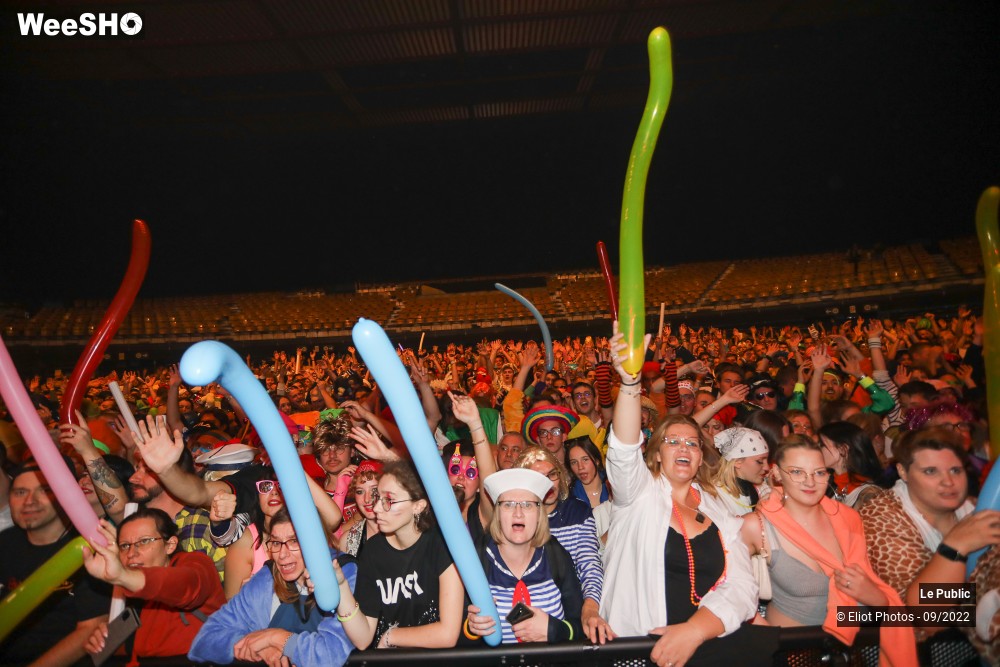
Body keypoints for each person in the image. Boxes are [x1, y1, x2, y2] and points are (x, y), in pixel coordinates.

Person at [601, 324, 776, 667]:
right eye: (673, 441)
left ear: (700, 456)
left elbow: (741, 588)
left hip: (706, 648)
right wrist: (630, 383)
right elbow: (622, 449)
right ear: (654, 455)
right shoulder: (637, 495)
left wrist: (694, 631)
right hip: (641, 652)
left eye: (693, 443)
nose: (684, 447)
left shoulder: (718, 509)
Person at [742, 435, 917, 665]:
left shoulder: (847, 519)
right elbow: (724, 591)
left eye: (819, 472)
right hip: (789, 654)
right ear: (776, 474)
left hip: (847, 651)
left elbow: (870, 603)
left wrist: (874, 597)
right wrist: (770, 639)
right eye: (796, 472)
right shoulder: (756, 526)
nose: (810, 482)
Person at [860, 427, 1000, 662]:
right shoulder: (881, 514)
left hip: (965, 653)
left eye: (955, 470)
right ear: (903, 471)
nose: (948, 482)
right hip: (911, 654)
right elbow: (923, 616)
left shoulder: (976, 507)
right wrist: (955, 547)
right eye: (931, 471)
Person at [188, 507, 359, 667]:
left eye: (293, 541)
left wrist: (275, 638)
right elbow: (204, 640)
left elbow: (330, 653)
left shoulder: (344, 572)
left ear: (314, 542)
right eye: (276, 543)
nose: (283, 555)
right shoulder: (267, 578)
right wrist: (258, 647)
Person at [334, 460, 464, 650]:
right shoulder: (373, 551)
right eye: (379, 497)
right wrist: (341, 587)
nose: (376, 507)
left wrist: (391, 636)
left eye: (389, 500)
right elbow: (362, 639)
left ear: (418, 506)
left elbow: (447, 634)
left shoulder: (442, 545)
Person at [82, 508, 226, 666]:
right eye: (124, 546)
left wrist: (123, 576)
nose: (131, 553)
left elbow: (188, 586)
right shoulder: (126, 592)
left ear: (170, 545)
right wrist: (103, 641)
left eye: (143, 541)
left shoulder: (196, 564)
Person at [0, 462, 111, 667]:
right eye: (20, 492)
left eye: (44, 490)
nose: (29, 501)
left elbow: (91, 627)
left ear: (64, 496)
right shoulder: (4, 545)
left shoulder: (90, 547)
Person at [465, 468, 584, 644]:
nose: (518, 513)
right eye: (508, 504)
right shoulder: (477, 558)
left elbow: (581, 627)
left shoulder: (555, 554)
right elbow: (457, 635)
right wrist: (472, 628)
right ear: (497, 513)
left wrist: (554, 629)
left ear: (539, 514)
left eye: (528, 504)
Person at [816, 421, 884, 508]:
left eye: (821, 445)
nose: (816, 449)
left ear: (843, 449)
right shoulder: (831, 486)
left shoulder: (871, 495)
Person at [709, 427, 770, 515]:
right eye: (760, 461)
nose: (767, 467)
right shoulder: (715, 495)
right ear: (737, 462)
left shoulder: (763, 489)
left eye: (767, 460)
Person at [567, 436, 611, 508]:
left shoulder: (614, 487)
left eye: (585, 459)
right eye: (574, 462)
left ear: (597, 461)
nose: (580, 467)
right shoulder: (570, 498)